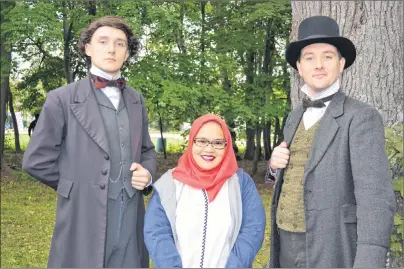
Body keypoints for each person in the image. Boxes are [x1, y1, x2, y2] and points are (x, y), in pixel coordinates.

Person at [22, 16, 156, 268]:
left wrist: (147, 173)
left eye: (120, 44)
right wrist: (73, 187)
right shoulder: (61, 99)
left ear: (127, 53)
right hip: (83, 215)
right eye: (103, 41)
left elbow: (147, 150)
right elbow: (35, 161)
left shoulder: (136, 99)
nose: (111, 49)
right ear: (87, 48)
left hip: (130, 215)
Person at [266, 16, 396, 268]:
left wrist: (369, 261)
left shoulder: (361, 117)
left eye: (328, 56)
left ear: (341, 64)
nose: (319, 65)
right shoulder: (293, 117)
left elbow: (376, 199)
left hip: (331, 244)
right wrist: (273, 167)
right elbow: (287, 178)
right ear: (299, 67)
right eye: (309, 57)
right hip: (284, 242)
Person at [144, 114, 266, 268]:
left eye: (218, 143)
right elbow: (156, 233)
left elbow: (253, 229)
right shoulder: (170, 183)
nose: (209, 149)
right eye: (202, 141)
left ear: (227, 145)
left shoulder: (241, 184)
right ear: (191, 142)